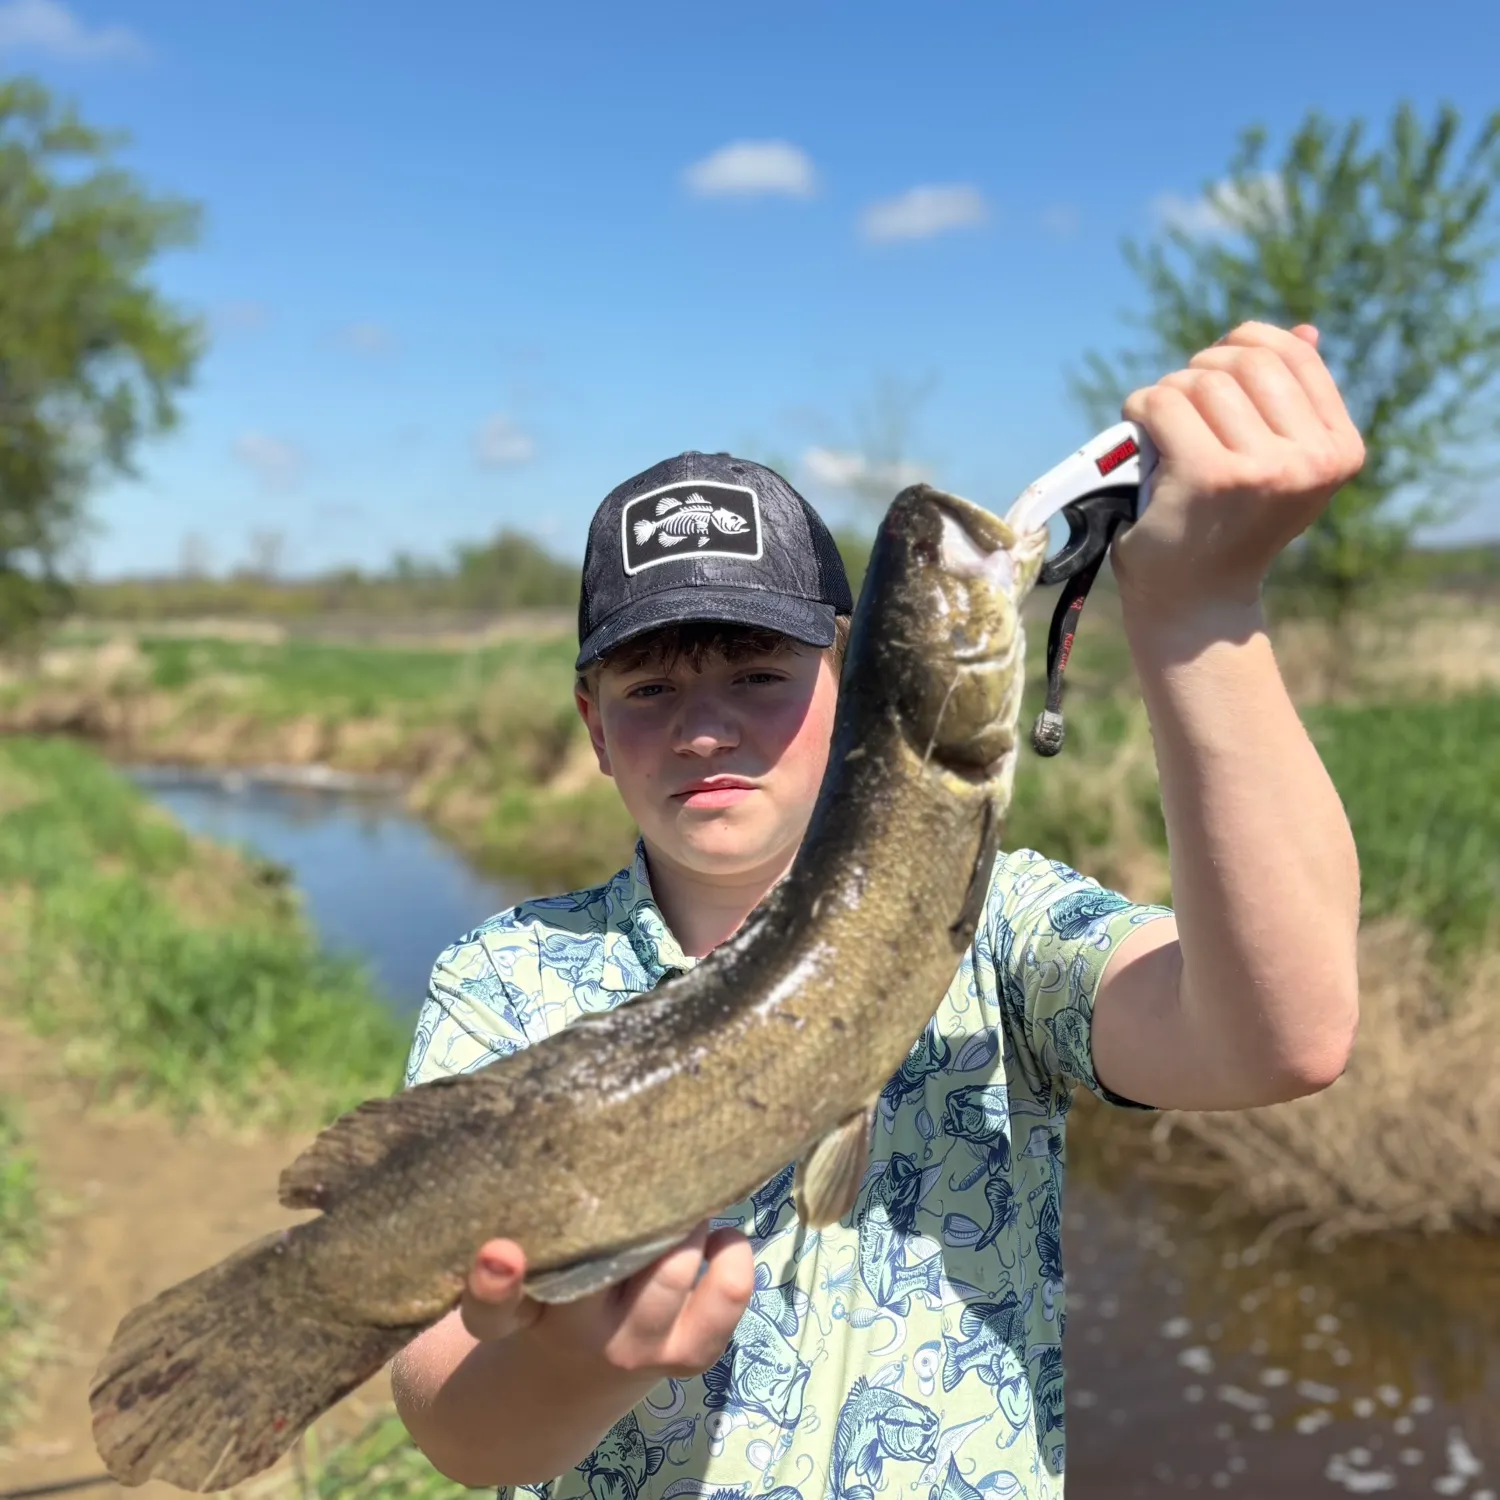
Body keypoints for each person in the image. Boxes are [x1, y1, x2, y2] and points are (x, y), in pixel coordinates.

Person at [391, 321, 1364, 1498]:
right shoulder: (505, 978)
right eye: (651, 689)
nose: (706, 728)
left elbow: (1280, 1035)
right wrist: (571, 1369)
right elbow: (453, 1428)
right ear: (594, 728)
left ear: (849, 677)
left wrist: (1202, 612)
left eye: (759, 674)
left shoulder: (999, 924)